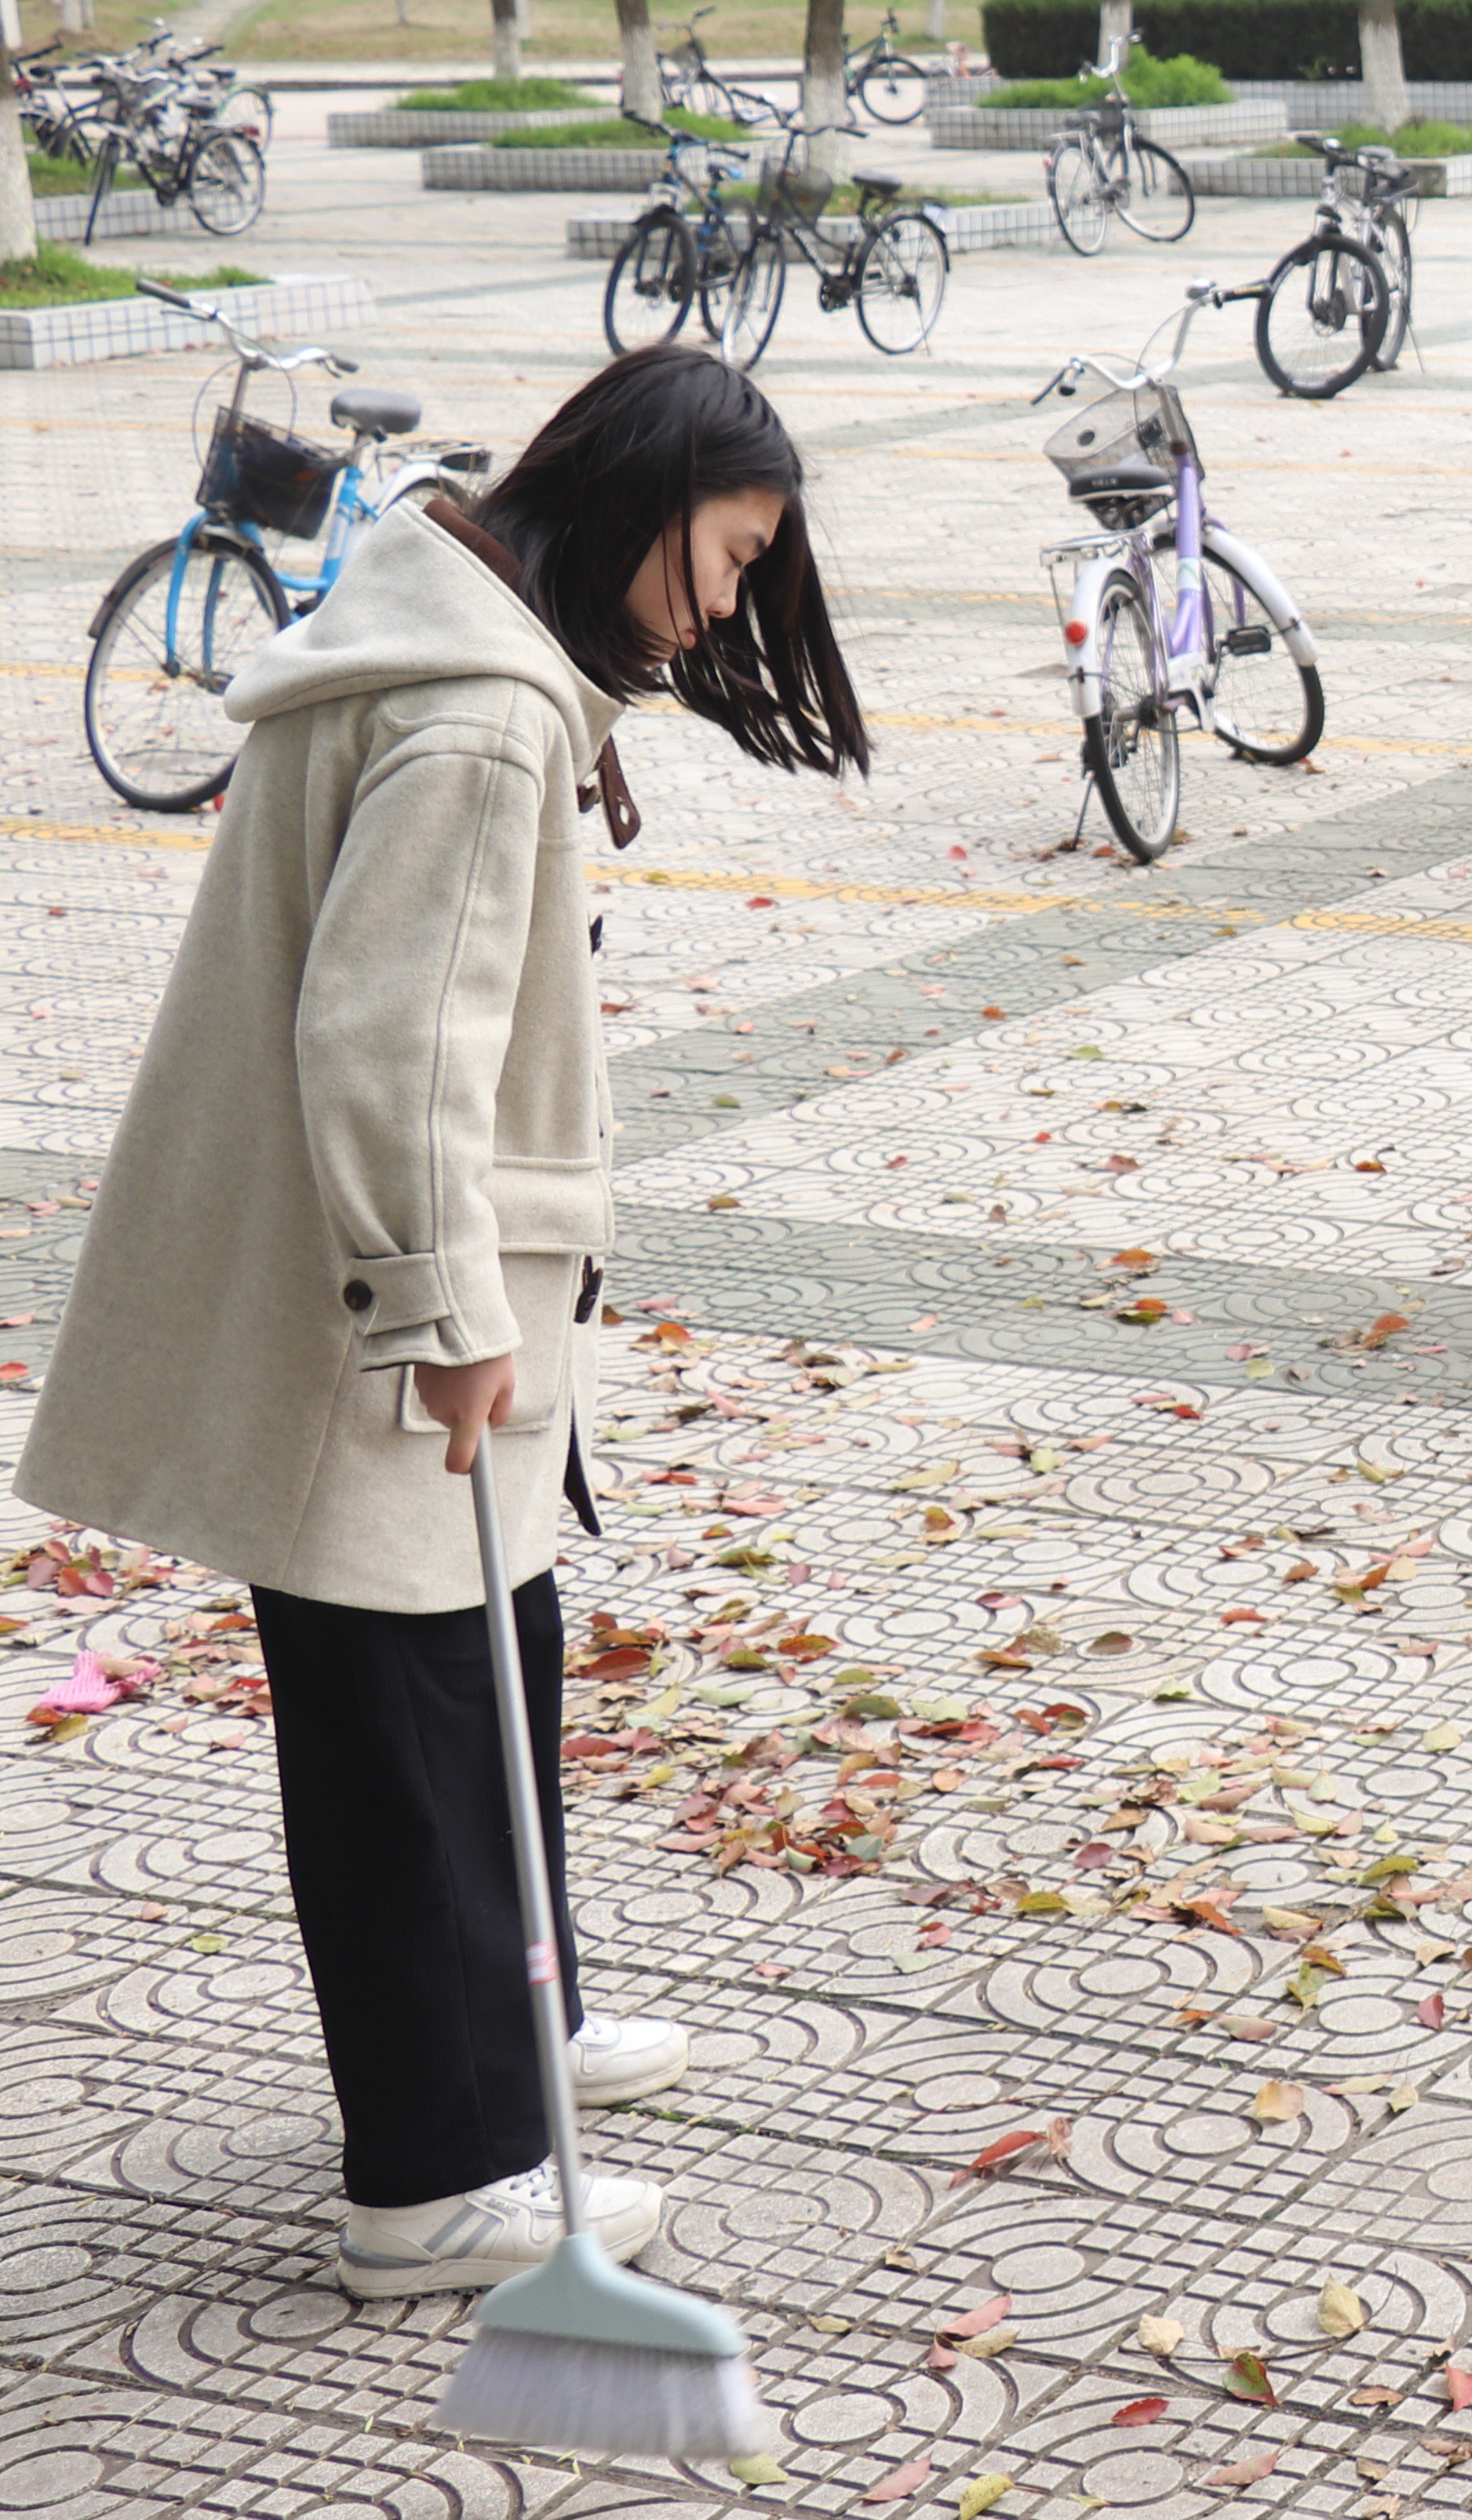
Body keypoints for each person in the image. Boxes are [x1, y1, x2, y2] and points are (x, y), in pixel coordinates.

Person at [20, 348, 869, 2296]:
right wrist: (439, 1303)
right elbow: (388, 1043)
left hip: (396, 1271)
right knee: (403, 1722)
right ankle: (437, 2169)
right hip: (382, 1294)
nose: (726, 607)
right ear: (646, 499)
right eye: (728, 558)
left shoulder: (439, 616)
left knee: (493, 1647)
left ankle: (517, 2030)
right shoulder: (486, 717)